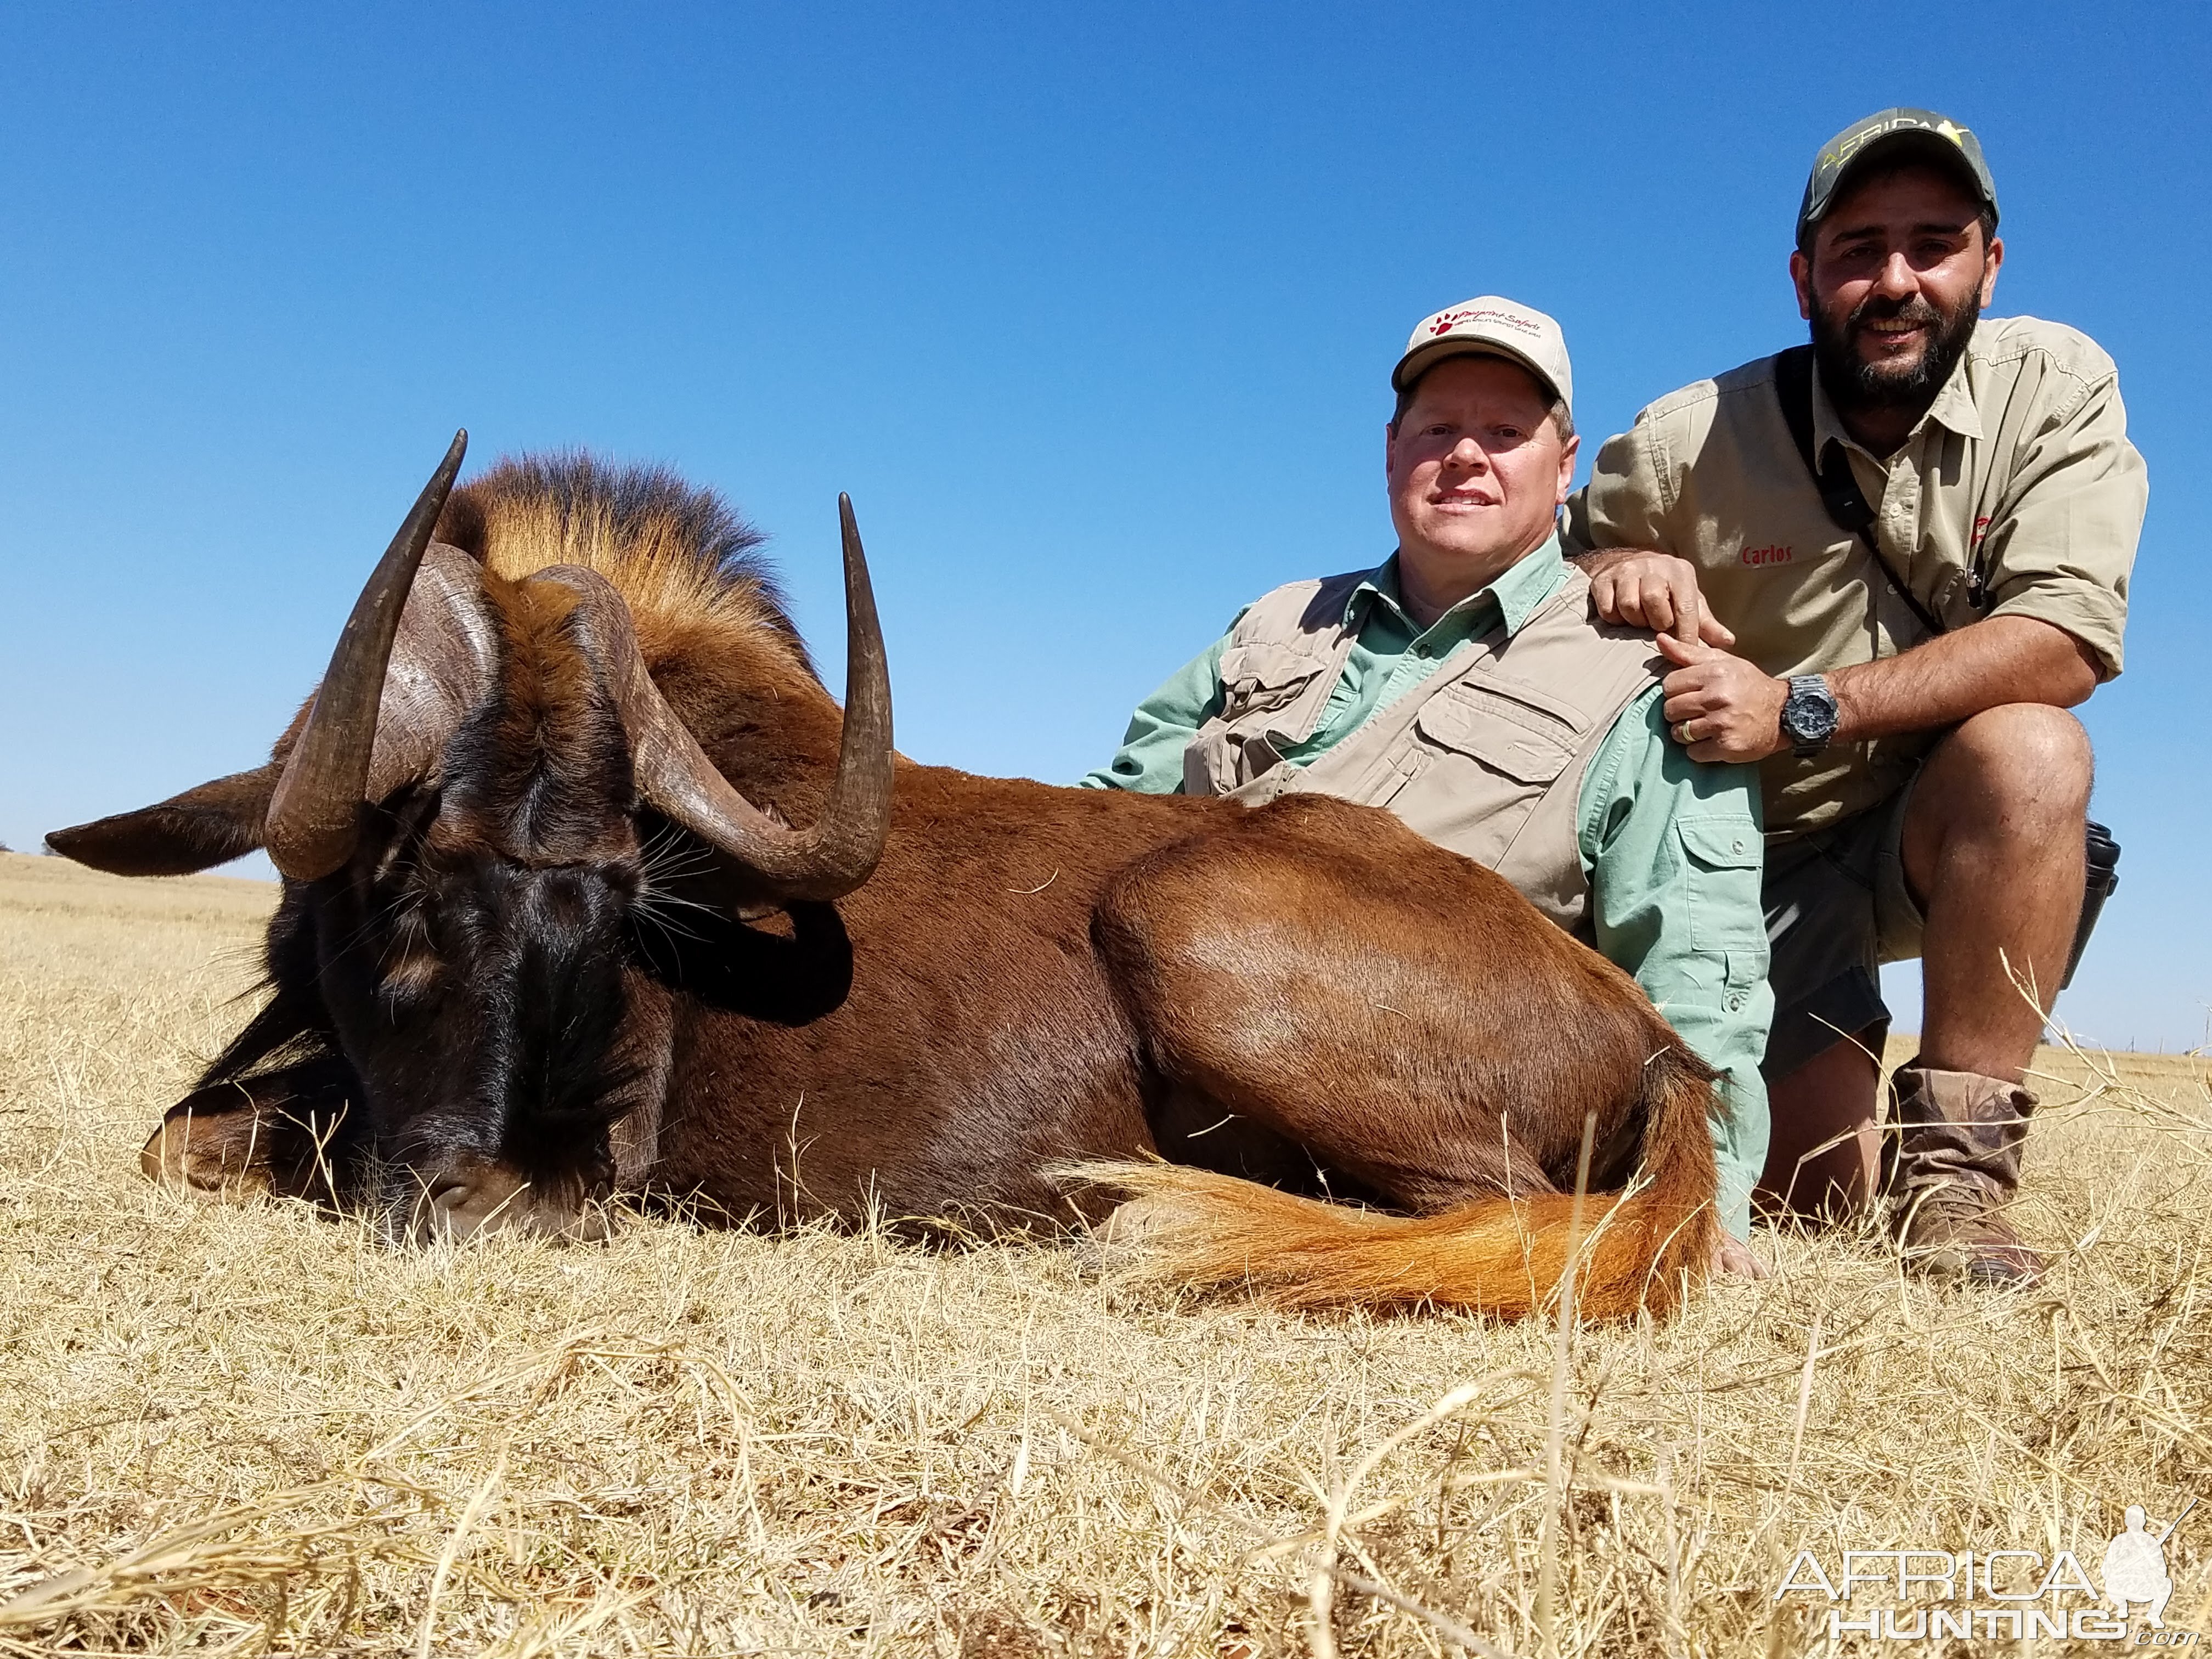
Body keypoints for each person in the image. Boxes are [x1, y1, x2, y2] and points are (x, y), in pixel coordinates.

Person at [1564, 109, 2146, 1285]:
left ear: (1991, 260)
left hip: (1916, 834)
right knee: (1816, 1204)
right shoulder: (1686, 441)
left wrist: (1800, 707)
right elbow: (1549, 568)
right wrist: (1616, 569)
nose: (1895, 281)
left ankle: (1957, 1185)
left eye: (1933, 244)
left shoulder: (2060, 387)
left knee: (2034, 752)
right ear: (1802, 279)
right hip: (1753, 863)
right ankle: (1838, 1120)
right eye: (1858, 250)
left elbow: (2069, 637)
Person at [1085, 296, 1774, 1261]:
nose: (1465, 456)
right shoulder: (1272, 622)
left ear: (1565, 465)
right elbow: (1105, 817)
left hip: (1448, 1084)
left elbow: (1701, 959)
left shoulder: (1646, 673)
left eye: (1504, 432)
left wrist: (1712, 1204)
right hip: (1194, 1042)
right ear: (1391, 448)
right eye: (1439, 428)